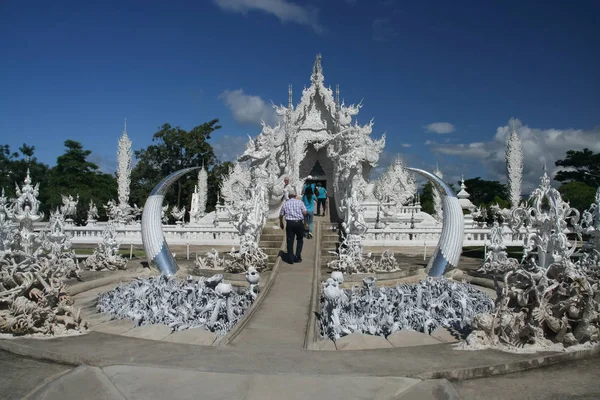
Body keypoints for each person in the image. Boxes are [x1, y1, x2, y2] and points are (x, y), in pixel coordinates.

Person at [279, 186, 307, 264]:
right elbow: (305, 212)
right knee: (300, 240)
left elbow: (281, 214)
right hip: (298, 223)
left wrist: (281, 223)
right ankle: (297, 256)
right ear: (295, 195)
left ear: (289, 196)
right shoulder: (300, 202)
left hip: (290, 223)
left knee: (290, 240)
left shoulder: (286, 203)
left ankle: (290, 258)